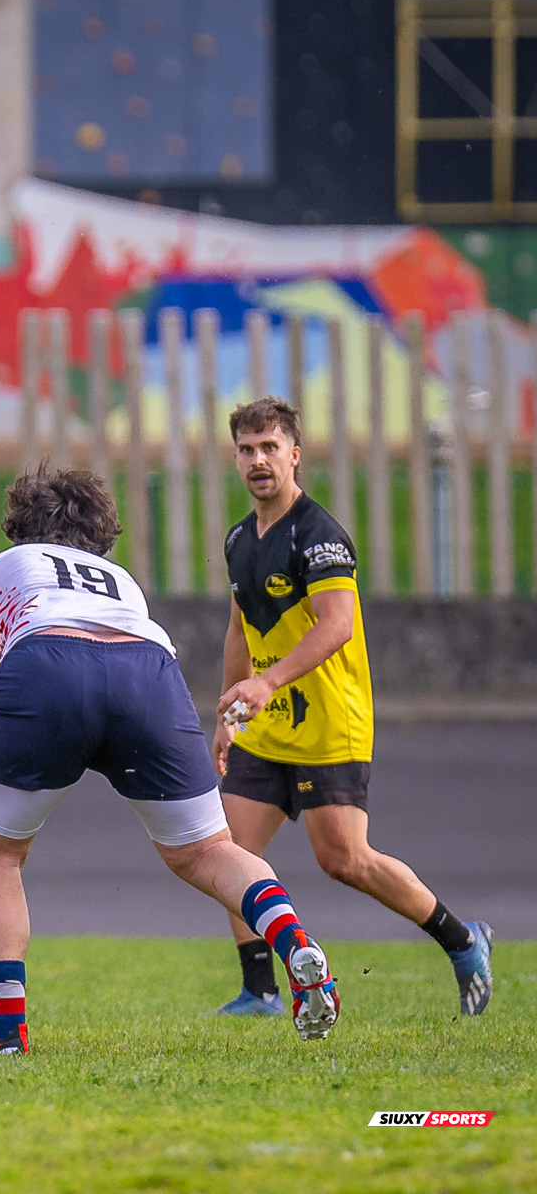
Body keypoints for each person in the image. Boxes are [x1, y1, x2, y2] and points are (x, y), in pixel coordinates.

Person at [0, 467, 342, 1051]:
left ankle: (5, 1031)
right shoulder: (122, 581)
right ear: (100, 538)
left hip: (45, 666)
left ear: (18, 529)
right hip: (150, 672)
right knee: (211, 851)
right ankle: (291, 939)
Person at [210, 398, 491, 1017]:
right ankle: (259, 990)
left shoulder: (320, 536)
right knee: (227, 850)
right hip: (266, 727)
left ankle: (464, 941)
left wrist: (268, 683)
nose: (259, 460)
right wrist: (230, 716)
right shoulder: (239, 539)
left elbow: (336, 626)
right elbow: (239, 632)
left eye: (270, 448)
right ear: (235, 458)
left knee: (344, 860)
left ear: (294, 454)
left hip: (329, 724)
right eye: (247, 449)